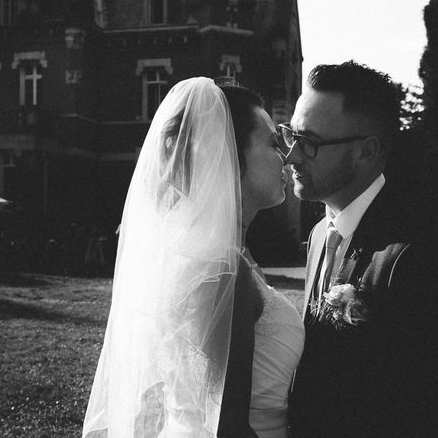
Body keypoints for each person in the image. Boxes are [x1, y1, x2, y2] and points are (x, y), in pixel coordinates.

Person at [82, 77, 304, 438]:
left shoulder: (215, 257)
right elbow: (227, 426)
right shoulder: (222, 271)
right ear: (229, 154)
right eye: (271, 143)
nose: (286, 157)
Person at [286, 61, 438, 437]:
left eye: (310, 142)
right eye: (290, 135)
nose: (291, 156)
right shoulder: (321, 233)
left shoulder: (417, 258)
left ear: (367, 152)